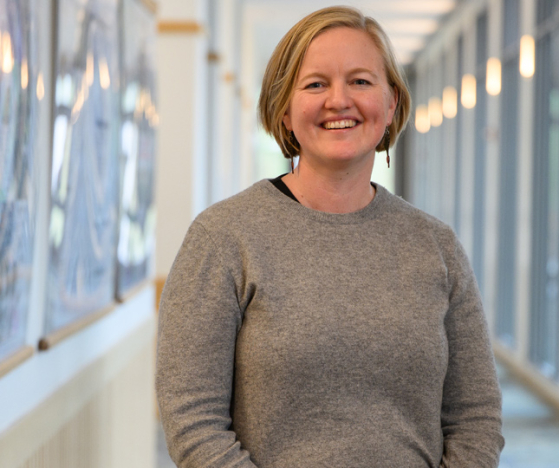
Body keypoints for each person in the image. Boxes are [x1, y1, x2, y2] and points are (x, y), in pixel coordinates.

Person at [155, 6, 504, 468]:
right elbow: (191, 419)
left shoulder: (437, 248)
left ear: (392, 103)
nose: (339, 100)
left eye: (360, 81)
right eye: (316, 84)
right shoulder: (223, 238)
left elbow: (476, 418)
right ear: (284, 110)